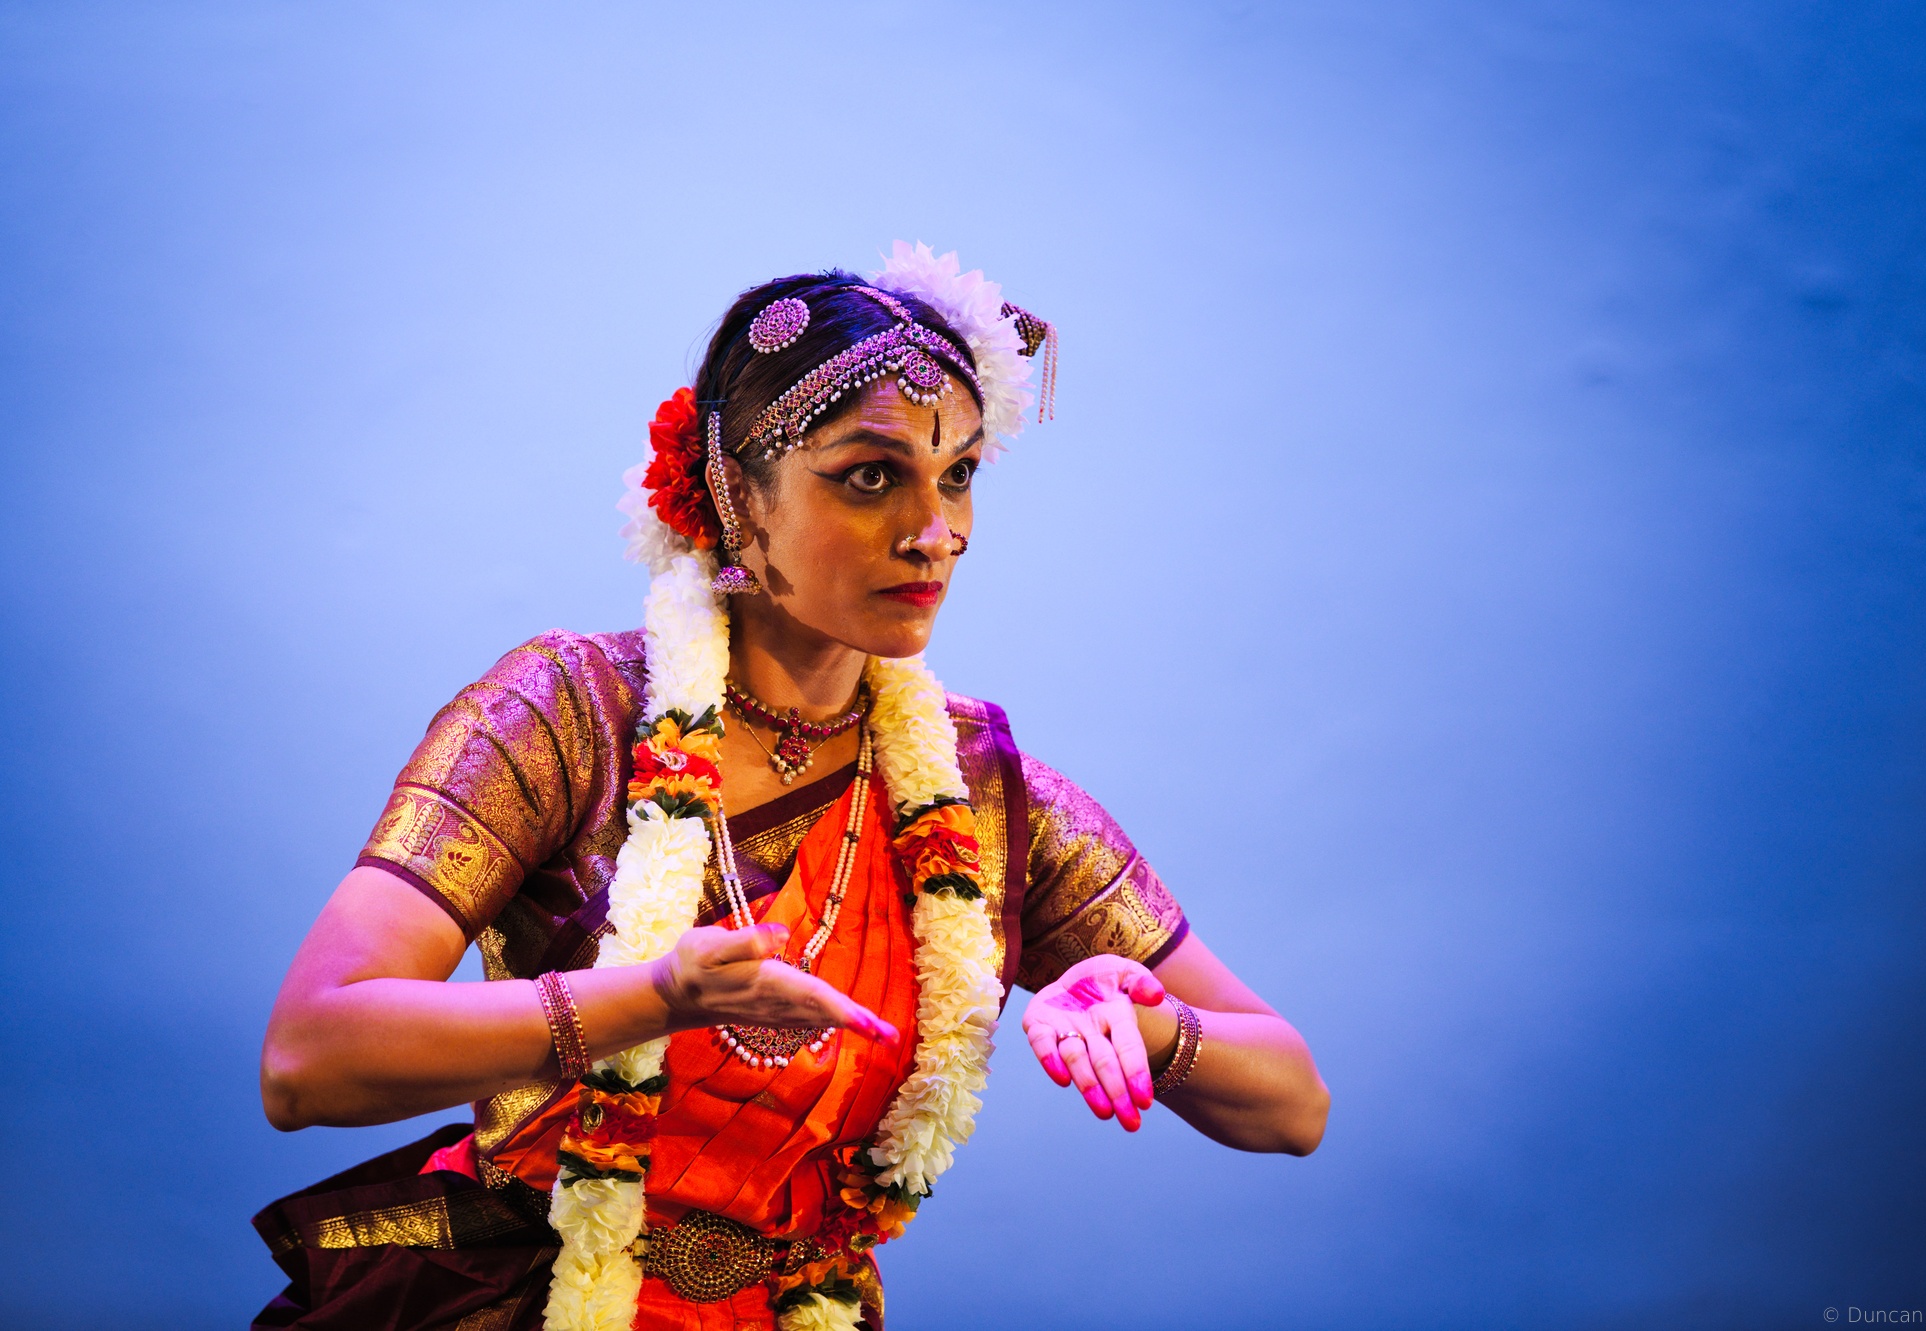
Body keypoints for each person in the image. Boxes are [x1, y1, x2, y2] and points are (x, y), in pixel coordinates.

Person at [254, 243, 1329, 1331]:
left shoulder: (981, 799)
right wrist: (652, 1000)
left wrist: (1150, 1025)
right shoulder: (570, 714)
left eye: (958, 474)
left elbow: (1292, 1101)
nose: (936, 532)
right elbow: (309, 1057)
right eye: (870, 476)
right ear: (736, 495)